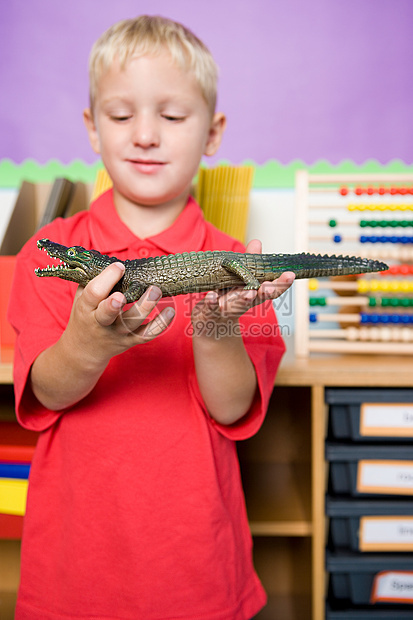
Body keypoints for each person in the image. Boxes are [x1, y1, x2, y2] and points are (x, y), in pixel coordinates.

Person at [9, 15, 294, 620]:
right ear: (91, 128)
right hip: (75, 572)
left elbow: (232, 409)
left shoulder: (241, 267)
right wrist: (87, 343)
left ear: (213, 132)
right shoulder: (48, 256)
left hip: (196, 567)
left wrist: (217, 328)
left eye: (171, 116)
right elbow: (46, 394)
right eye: (120, 116)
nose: (145, 135)